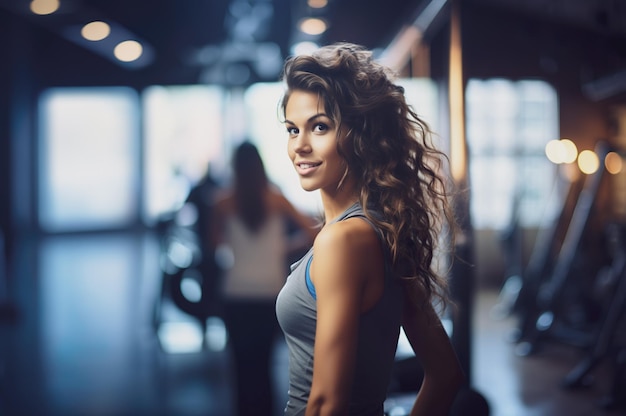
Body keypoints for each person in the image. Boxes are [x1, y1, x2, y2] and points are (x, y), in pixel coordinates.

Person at [275, 42, 465, 416]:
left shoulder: (344, 240)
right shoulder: (381, 231)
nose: (300, 145)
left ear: (359, 134)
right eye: (292, 129)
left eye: (320, 127)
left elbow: (327, 402)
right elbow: (446, 375)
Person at [211, 141, 318, 416]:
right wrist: (281, 246)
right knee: (264, 367)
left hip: (235, 292)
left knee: (240, 371)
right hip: (271, 292)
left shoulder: (223, 202)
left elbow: (214, 245)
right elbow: (312, 232)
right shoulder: (275, 199)